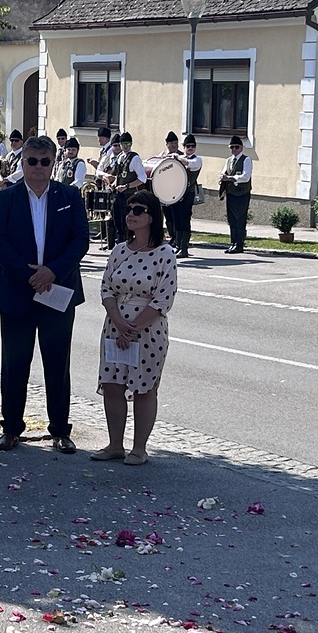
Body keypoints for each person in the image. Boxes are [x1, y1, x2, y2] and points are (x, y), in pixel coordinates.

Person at [0, 135, 90, 453]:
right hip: (17, 291)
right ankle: (10, 429)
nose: (38, 167)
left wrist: (52, 272)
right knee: (14, 363)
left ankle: (60, 430)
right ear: (23, 162)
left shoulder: (69, 195)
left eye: (45, 161)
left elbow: (80, 240)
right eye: (32, 160)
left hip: (57, 291)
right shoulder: (6, 198)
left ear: (53, 163)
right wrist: (30, 274)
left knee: (57, 364)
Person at [91, 190, 178, 465]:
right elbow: (106, 288)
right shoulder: (119, 250)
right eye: (129, 209)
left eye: (138, 210)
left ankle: (139, 448)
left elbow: (164, 297)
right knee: (112, 385)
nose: (131, 215)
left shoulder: (164, 254)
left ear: (152, 217)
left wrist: (133, 328)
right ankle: (115, 444)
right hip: (115, 327)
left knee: (144, 388)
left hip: (148, 331)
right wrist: (119, 322)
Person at [106, 132, 146, 248]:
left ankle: (127, 245)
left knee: (126, 223)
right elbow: (117, 175)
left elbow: (142, 178)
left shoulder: (135, 158)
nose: (126, 146)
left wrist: (127, 186)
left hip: (129, 196)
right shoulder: (120, 157)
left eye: (128, 143)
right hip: (118, 194)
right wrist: (113, 183)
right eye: (124, 144)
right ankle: (120, 245)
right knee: (117, 221)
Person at [219, 135, 253, 253]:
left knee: (240, 218)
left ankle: (239, 244)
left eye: (236, 147)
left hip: (242, 194)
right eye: (231, 147)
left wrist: (230, 178)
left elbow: (245, 177)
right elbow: (224, 172)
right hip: (231, 193)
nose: (234, 149)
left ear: (241, 148)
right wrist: (222, 178)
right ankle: (233, 243)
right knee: (232, 219)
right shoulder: (229, 160)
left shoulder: (246, 159)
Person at [175, 135, 204, 257]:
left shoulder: (197, 160)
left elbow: (190, 164)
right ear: (184, 147)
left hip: (188, 193)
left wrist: (177, 157)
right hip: (176, 193)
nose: (190, 148)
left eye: (193, 146)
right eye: (188, 146)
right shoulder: (179, 157)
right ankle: (178, 246)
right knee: (177, 220)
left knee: (185, 220)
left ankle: (184, 248)